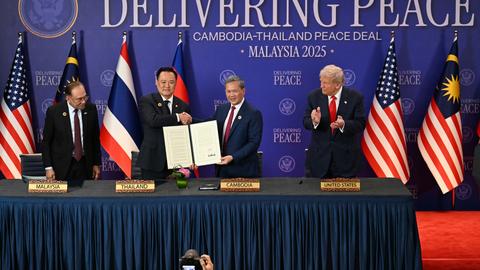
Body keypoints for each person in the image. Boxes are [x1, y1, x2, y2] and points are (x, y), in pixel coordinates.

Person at [303, 64, 366, 178]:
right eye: (321, 82)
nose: (321, 86)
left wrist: (344, 125)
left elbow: (360, 124)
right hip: (319, 161)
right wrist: (315, 122)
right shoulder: (313, 97)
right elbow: (305, 122)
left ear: (337, 84)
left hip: (345, 161)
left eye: (325, 83)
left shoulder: (355, 98)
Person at [137, 67, 192, 179]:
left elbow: (187, 134)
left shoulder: (183, 105)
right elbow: (153, 120)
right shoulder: (147, 100)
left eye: (171, 82)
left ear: (176, 83)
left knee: (177, 195)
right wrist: (177, 117)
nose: (167, 86)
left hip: (177, 162)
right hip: (152, 162)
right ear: (156, 82)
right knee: (152, 196)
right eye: (163, 82)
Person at [42, 81, 101, 181]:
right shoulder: (54, 112)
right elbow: (46, 142)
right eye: (79, 99)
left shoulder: (91, 110)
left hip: (85, 165)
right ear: (68, 98)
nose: (83, 102)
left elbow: (95, 139)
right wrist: (48, 167)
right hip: (61, 166)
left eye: (85, 97)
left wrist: (96, 163)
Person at [213, 75, 263, 178]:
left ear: (243, 91)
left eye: (234, 91)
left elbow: (254, 143)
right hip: (222, 170)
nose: (231, 95)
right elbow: (208, 125)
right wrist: (190, 120)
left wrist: (233, 157)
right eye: (228, 91)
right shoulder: (221, 109)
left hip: (243, 171)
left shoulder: (253, 113)